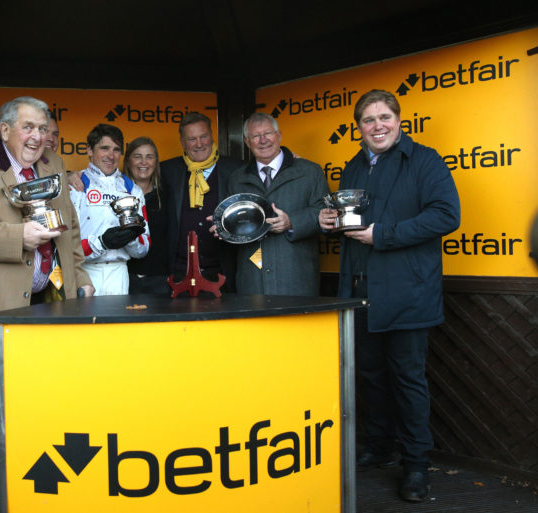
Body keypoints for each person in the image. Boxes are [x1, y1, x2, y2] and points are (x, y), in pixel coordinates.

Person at [0, 97, 94, 513]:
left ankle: (22, 491)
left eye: (43, 128)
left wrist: (79, 278)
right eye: (28, 127)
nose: (37, 137)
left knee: (33, 402)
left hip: (47, 307)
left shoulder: (54, 165)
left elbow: (69, 227)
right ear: (5, 129)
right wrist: (18, 238)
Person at [318, 89, 460, 502]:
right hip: (361, 292)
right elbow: (352, 221)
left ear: (399, 120)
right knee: (372, 377)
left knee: (408, 381)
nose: (377, 125)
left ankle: (416, 465)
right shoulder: (353, 166)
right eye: (368, 119)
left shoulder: (426, 160)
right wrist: (331, 221)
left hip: (408, 292)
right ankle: (380, 448)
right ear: (359, 128)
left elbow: (446, 215)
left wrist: (384, 235)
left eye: (384, 117)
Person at [225, 112, 329, 295]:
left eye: (268, 133)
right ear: (247, 142)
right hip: (251, 282)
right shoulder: (237, 179)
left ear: (279, 135)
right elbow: (232, 221)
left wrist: (292, 222)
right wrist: (224, 226)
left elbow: (326, 213)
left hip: (296, 278)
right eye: (256, 136)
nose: (263, 140)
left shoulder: (310, 171)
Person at [159, 112, 243, 291]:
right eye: (192, 139)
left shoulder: (237, 170)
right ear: (182, 142)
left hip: (224, 274)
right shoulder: (166, 171)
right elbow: (135, 180)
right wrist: (82, 177)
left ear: (212, 136)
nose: (199, 144)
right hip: (178, 275)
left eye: (203, 136)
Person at [70, 123, 149, 295]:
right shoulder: (75, 185)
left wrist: (130, 237)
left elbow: (144, 248)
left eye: (116, 149)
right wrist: (102, 242)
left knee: (117, 323)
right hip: (84, 272)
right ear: (89, 150)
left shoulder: (132, 189)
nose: (111, 156)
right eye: (104, 148)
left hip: (119, 273)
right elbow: (65, 246)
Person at [121, 136, 170, 294]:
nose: (144, 162)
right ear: (128, 161)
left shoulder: (166, 194)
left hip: (160, 280)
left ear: (156, 162)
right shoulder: (116, 194)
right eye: (137, 156)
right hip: (125, 277)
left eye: (149, 157)